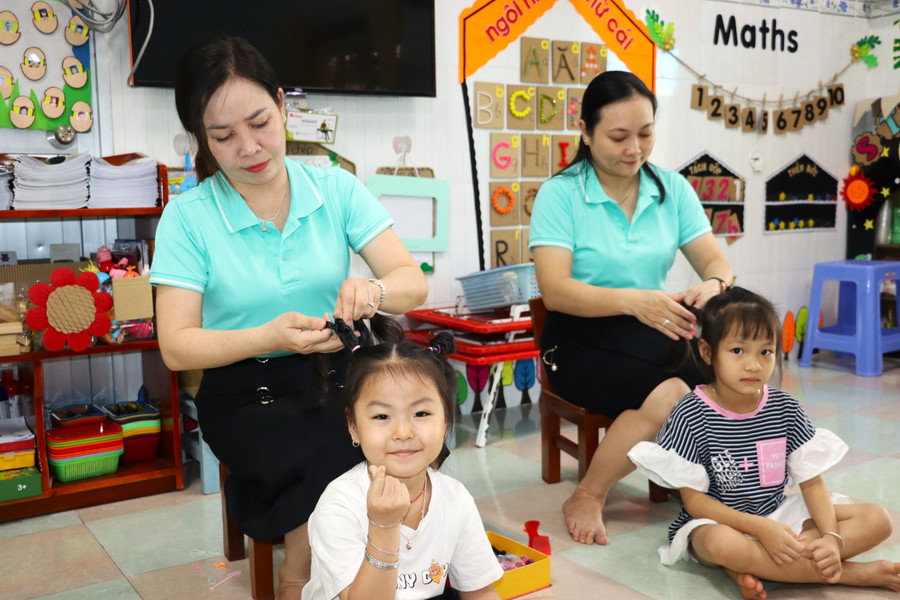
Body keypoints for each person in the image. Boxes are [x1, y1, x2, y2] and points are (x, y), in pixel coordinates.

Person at [150, 35, 428, 599]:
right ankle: (301, 578)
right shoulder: (188, 217)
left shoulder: (333, 186)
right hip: (243, 387)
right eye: (224, 137)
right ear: (201, 138)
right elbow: (176, 347)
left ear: (282, 105)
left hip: (334, 368)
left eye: (260, 123)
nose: (250, 147)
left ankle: (395, 565)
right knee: (332, 447)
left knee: (412, 428)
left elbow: (412, 282)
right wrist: (268, 336)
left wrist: (371, 291)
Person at [528, 70, 734, 545]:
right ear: (585, 131)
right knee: (670, 396)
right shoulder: (562, 194)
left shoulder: (672, 190)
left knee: (730, 376)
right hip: (578, 338)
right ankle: (589, 495)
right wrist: (634, 302)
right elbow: (555, 290)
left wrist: (714, 282)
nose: (634, 149)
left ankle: (714, 488)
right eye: (618, 136)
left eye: (645, 134)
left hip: (653, 327)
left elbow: (715, 260)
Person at [628, 286, 898, 599]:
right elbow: (695, 503)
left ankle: (750, 565)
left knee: (877, 518)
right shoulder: (692, 412)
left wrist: (831, 538)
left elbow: (811, 484)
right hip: (717, 522)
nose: (754, 365)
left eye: (765, 351)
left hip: (777, 511)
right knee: (722, 545)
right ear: (706, 351)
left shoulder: (785, 407)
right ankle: (854, 574)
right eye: (738, 351)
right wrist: (760, 530)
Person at [302, 330, 557, 600]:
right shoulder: (338, 505)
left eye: (421, 413)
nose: (403, 432)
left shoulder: (455, 497)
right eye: (381, 416)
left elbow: (479, 592)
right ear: (353, 426)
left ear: (446, 420)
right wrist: (383, 527)